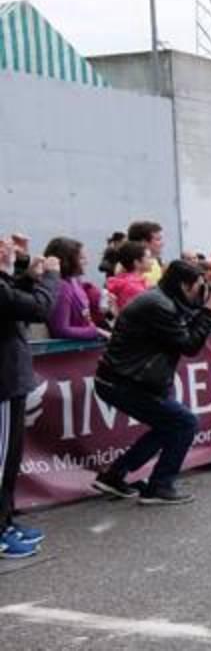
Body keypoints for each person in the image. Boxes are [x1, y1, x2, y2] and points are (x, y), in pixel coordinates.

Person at [91, 261, 211, 505]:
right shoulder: (158, 305)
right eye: (199, 286)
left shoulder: (165, 300)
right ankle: (160, 486)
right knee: (185, 422)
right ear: (185, 285)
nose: (202, 291)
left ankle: (114, 475)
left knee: (169, 425)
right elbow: (189, 345)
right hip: (125, 382)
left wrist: (207, 311)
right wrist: (209, 311)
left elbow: (188, 327)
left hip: (129, 379)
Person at [0, 239, 60, 558]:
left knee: (9, 460)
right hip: (4, 382)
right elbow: (38, 308)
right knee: (1, 461)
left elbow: (13, 299)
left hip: (10, 380)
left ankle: (6, 522)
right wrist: (50, 277)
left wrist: (27, 275)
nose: (10, 250)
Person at [43, 237, 109, 342]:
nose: (86, 262)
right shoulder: (62, 288)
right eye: (81, 258)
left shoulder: (75, 281)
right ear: (67, 261)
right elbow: (60, 330)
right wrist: (95, 332)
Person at [104, 241, 153, 313]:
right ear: (137, 263)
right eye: (148, 258)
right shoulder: (134, 288)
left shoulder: (126, 281)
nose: (151, 261)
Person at [127, 221, 166, 288]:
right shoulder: (128, 266)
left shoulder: (157, 261)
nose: (162, 243)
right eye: (158, 239)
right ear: (144, 242)